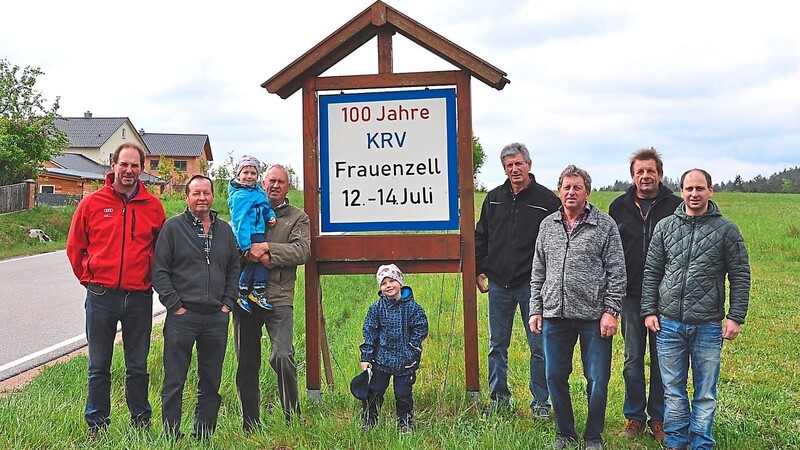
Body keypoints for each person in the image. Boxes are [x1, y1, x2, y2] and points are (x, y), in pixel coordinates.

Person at [642, 168, 751, 450]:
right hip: (668, 323)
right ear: (681, 191)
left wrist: (735, 317)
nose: (694, 193)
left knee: (705, 392)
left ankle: (701, 443)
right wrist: (649, 310)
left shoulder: (726, 230)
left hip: (709, 324)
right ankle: (676, 442)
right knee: (674, 391)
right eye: (689, 188)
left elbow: (740, 274)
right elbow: (652, 271)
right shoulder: (665, 227)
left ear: (710, 191)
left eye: (699, 188)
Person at [66, 142, 166, 442]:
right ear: (113, 165)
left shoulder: (153, 207)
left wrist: (150, 281)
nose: (129, 170)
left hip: (138, 298)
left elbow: (162, 253)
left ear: (142, 169)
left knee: (138, 366)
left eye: (135, 165)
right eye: (124, 164)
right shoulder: (92, 203)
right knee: (99, 366)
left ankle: (140, 422)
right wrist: (90, 277)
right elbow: (75, 247)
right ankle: (97, 425)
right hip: (101, 297)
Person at [528, 165, 627, 450]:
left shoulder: (604, 225)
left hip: (594, 317)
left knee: (597, 378)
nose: (571, 192)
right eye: (566, 187)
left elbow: (617, 271)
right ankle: (565, 434)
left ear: (588, 192)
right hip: (554, 315)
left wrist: (611, 310)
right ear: (559, 191)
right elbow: (538, 271)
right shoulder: (548, 225)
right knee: (554, 376)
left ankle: (593, 436)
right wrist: (536, 308)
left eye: (577, 187)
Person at [474, 142, 561, 418]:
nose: (514, 169)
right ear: (504, 169)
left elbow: (558, 243)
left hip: (532, 286)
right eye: (509, 165)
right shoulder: (494, 198)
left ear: (529, 165)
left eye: (518, 164)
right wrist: (479, 268)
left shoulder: (547, 201)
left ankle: (541, 405)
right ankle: (499, 400)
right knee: (497, 345)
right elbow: (482, 235)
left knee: (539, 346)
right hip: (499, 283)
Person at [152, 175, 240, 441]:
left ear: (213, 195)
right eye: (196, 193)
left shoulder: (224, 230)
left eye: (206, 193)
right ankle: (171, 435)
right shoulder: (173, 228)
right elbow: (159, 271)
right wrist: (175, 306)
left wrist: (227, 303)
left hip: (216, 317)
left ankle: (204, 434)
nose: (202, 198)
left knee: (211, 381)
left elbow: (235, 267)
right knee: (174, 381)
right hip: (183, 317)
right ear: (186, 197)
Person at [608, 148, 683, 442]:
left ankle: (660, 419)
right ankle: (634, 417)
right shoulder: (619, 207)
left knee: (662, 358)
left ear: (660, 174)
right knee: (632, 358)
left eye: (650, 171)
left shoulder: (675, 206)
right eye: (640, 171)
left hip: (665, 296)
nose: (645, 176)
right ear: (632, 176)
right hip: (630, 296)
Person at [233, 164, 311, 430]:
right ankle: (250, 423)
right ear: (262, 183)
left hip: (278, 296)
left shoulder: (297, 218)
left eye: (280, 181)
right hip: (245, 299)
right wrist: (247, 252)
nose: (274, 185)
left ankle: (292, 416)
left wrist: (267, 251)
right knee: (246, 361)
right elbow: (234, 242)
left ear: (288, 187)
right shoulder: (246, 204)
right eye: (270, 181)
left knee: (282, 355)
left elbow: (301, 251)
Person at [359, 264, 429, 432]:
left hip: (405, 362)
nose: (388, 285)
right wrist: (366, 356)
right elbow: (369, 332)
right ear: (380, 288)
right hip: (381, 360)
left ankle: (405, 422)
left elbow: (421, 328)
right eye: (383, 283)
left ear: (400, 282)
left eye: (392, 281)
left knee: (403, 394)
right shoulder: (376, 309)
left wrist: (413, 348)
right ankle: (369, 420)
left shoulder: (413, 308)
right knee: (374, 391)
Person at [228, 155, 277, 312]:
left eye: (253, 173)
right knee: (261, 260)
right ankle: (257, 290)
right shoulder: (239, 196)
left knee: (254, 262)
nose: (249, 176)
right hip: (248, 234)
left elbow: (265, 207)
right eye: (245, 172)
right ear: (239, 175)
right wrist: (245, 245)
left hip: (259, 230)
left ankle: (244, 290)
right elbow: (239, 222)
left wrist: (270, 216)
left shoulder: (258, 192)